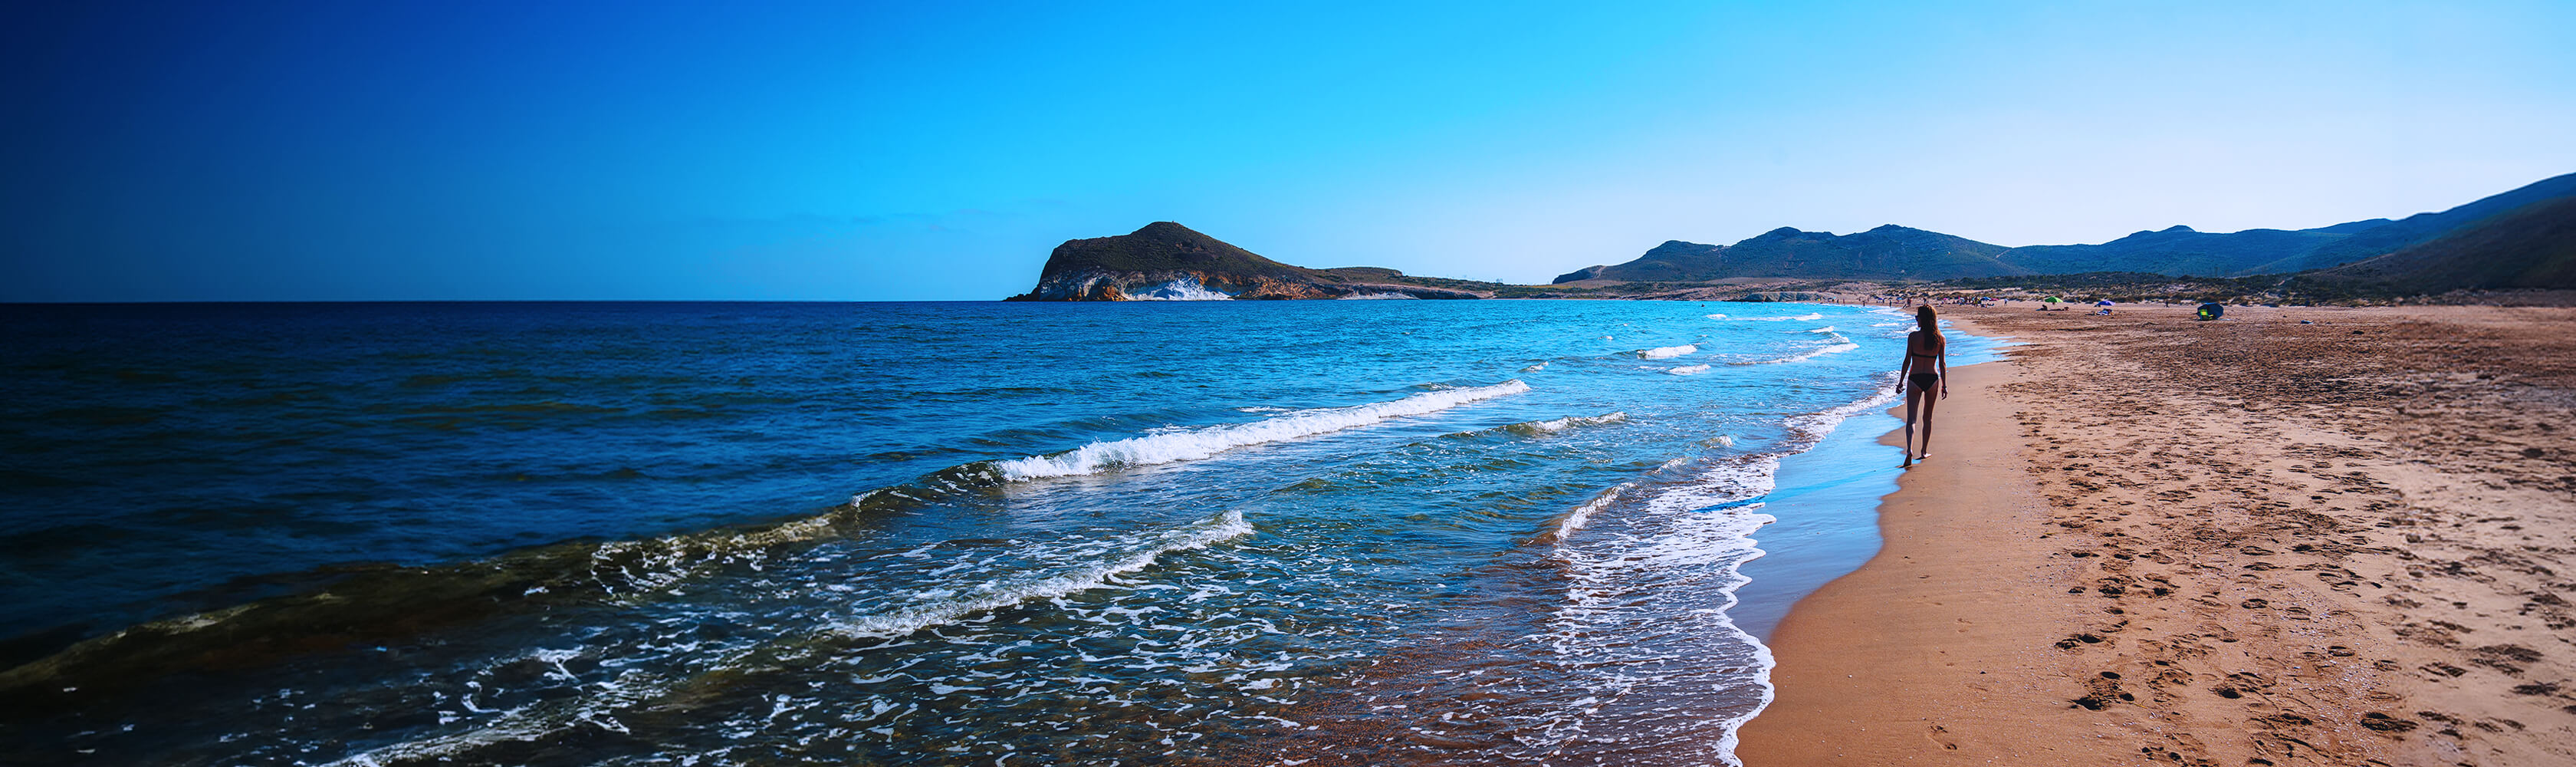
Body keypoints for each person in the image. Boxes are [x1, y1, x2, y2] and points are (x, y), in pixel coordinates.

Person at [1895, 305, 1947, 467]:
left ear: (1923, 319)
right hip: (1932, 379)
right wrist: (1945, 385)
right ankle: (1924, 451)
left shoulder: (1913, 337)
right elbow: (1942, 364)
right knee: (1928, 418)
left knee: (1911, 419)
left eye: (1917, 317)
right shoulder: (1940, 338)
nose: (1916, 319)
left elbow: (1907, 361)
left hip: (1915, 378)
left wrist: (1901, 381)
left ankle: (1909, 450)